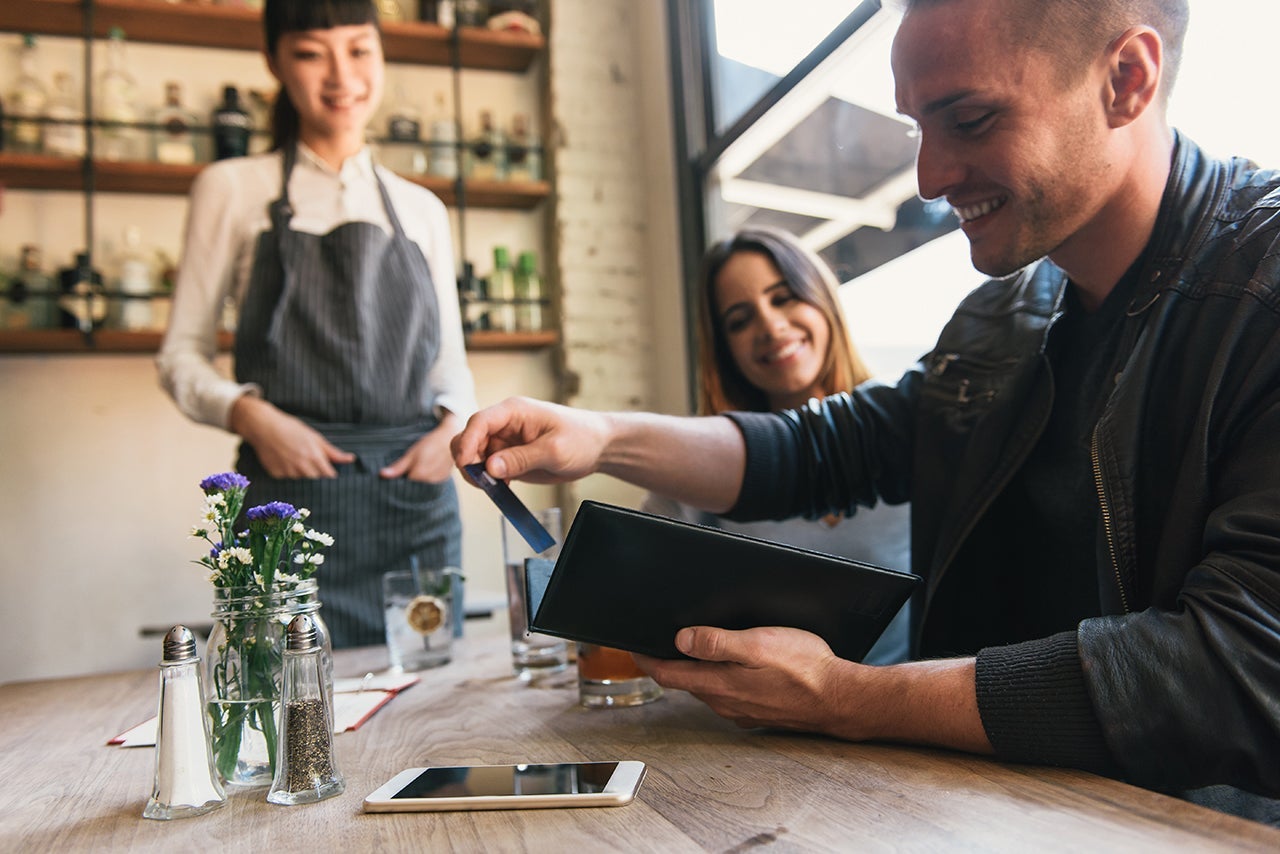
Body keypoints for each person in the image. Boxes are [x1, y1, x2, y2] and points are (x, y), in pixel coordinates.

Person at [453, 0, 1280, 822]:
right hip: (996, 810)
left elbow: (1242, 670)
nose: (930, 177)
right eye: (920, 126)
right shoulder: (1006, 315)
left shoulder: (1261, 287)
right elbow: (830, 450)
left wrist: (850, 697)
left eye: (970, 118)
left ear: (1126, 80)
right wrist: (599, 436)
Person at [158, 0, 476, 647]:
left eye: (359, 49)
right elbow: (180, 357)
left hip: (413, 503)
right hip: (287, 500)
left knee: (428, 706)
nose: (341, 76)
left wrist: (451, 429)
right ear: (274, 61)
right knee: (285, 708)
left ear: (381, 56)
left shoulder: (421, 209)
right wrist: (252, 416)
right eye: (310, 53)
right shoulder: (230, 187)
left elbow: (450, 366)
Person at [640, 226, 911, 665]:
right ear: (725, 350)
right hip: (759, 723)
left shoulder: (907, 427)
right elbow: (639, 591)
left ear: (821, 298)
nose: (769, 325)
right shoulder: (708, 462)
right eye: (740, 320)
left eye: (783, 297)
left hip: (903, 716)